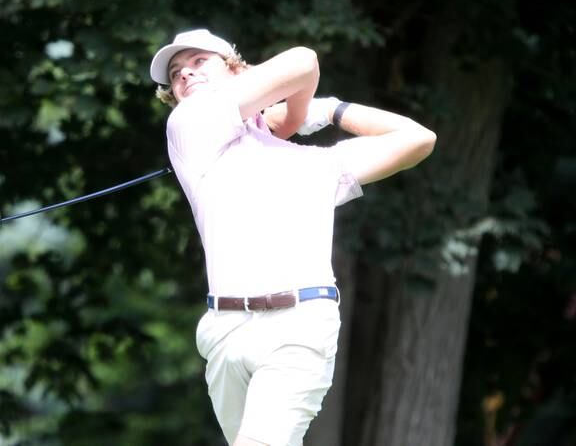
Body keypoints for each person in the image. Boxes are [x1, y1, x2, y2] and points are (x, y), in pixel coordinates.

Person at [149, 29, 437, 446]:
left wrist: (323, 111)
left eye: (199, 62)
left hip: (299, 324)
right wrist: (294, 114)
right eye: (176, 73)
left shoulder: (316, 165)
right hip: (224, 333)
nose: (186, 75)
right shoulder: (189, 123)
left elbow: (417, 139)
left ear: (236, 71)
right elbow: (300, 67)